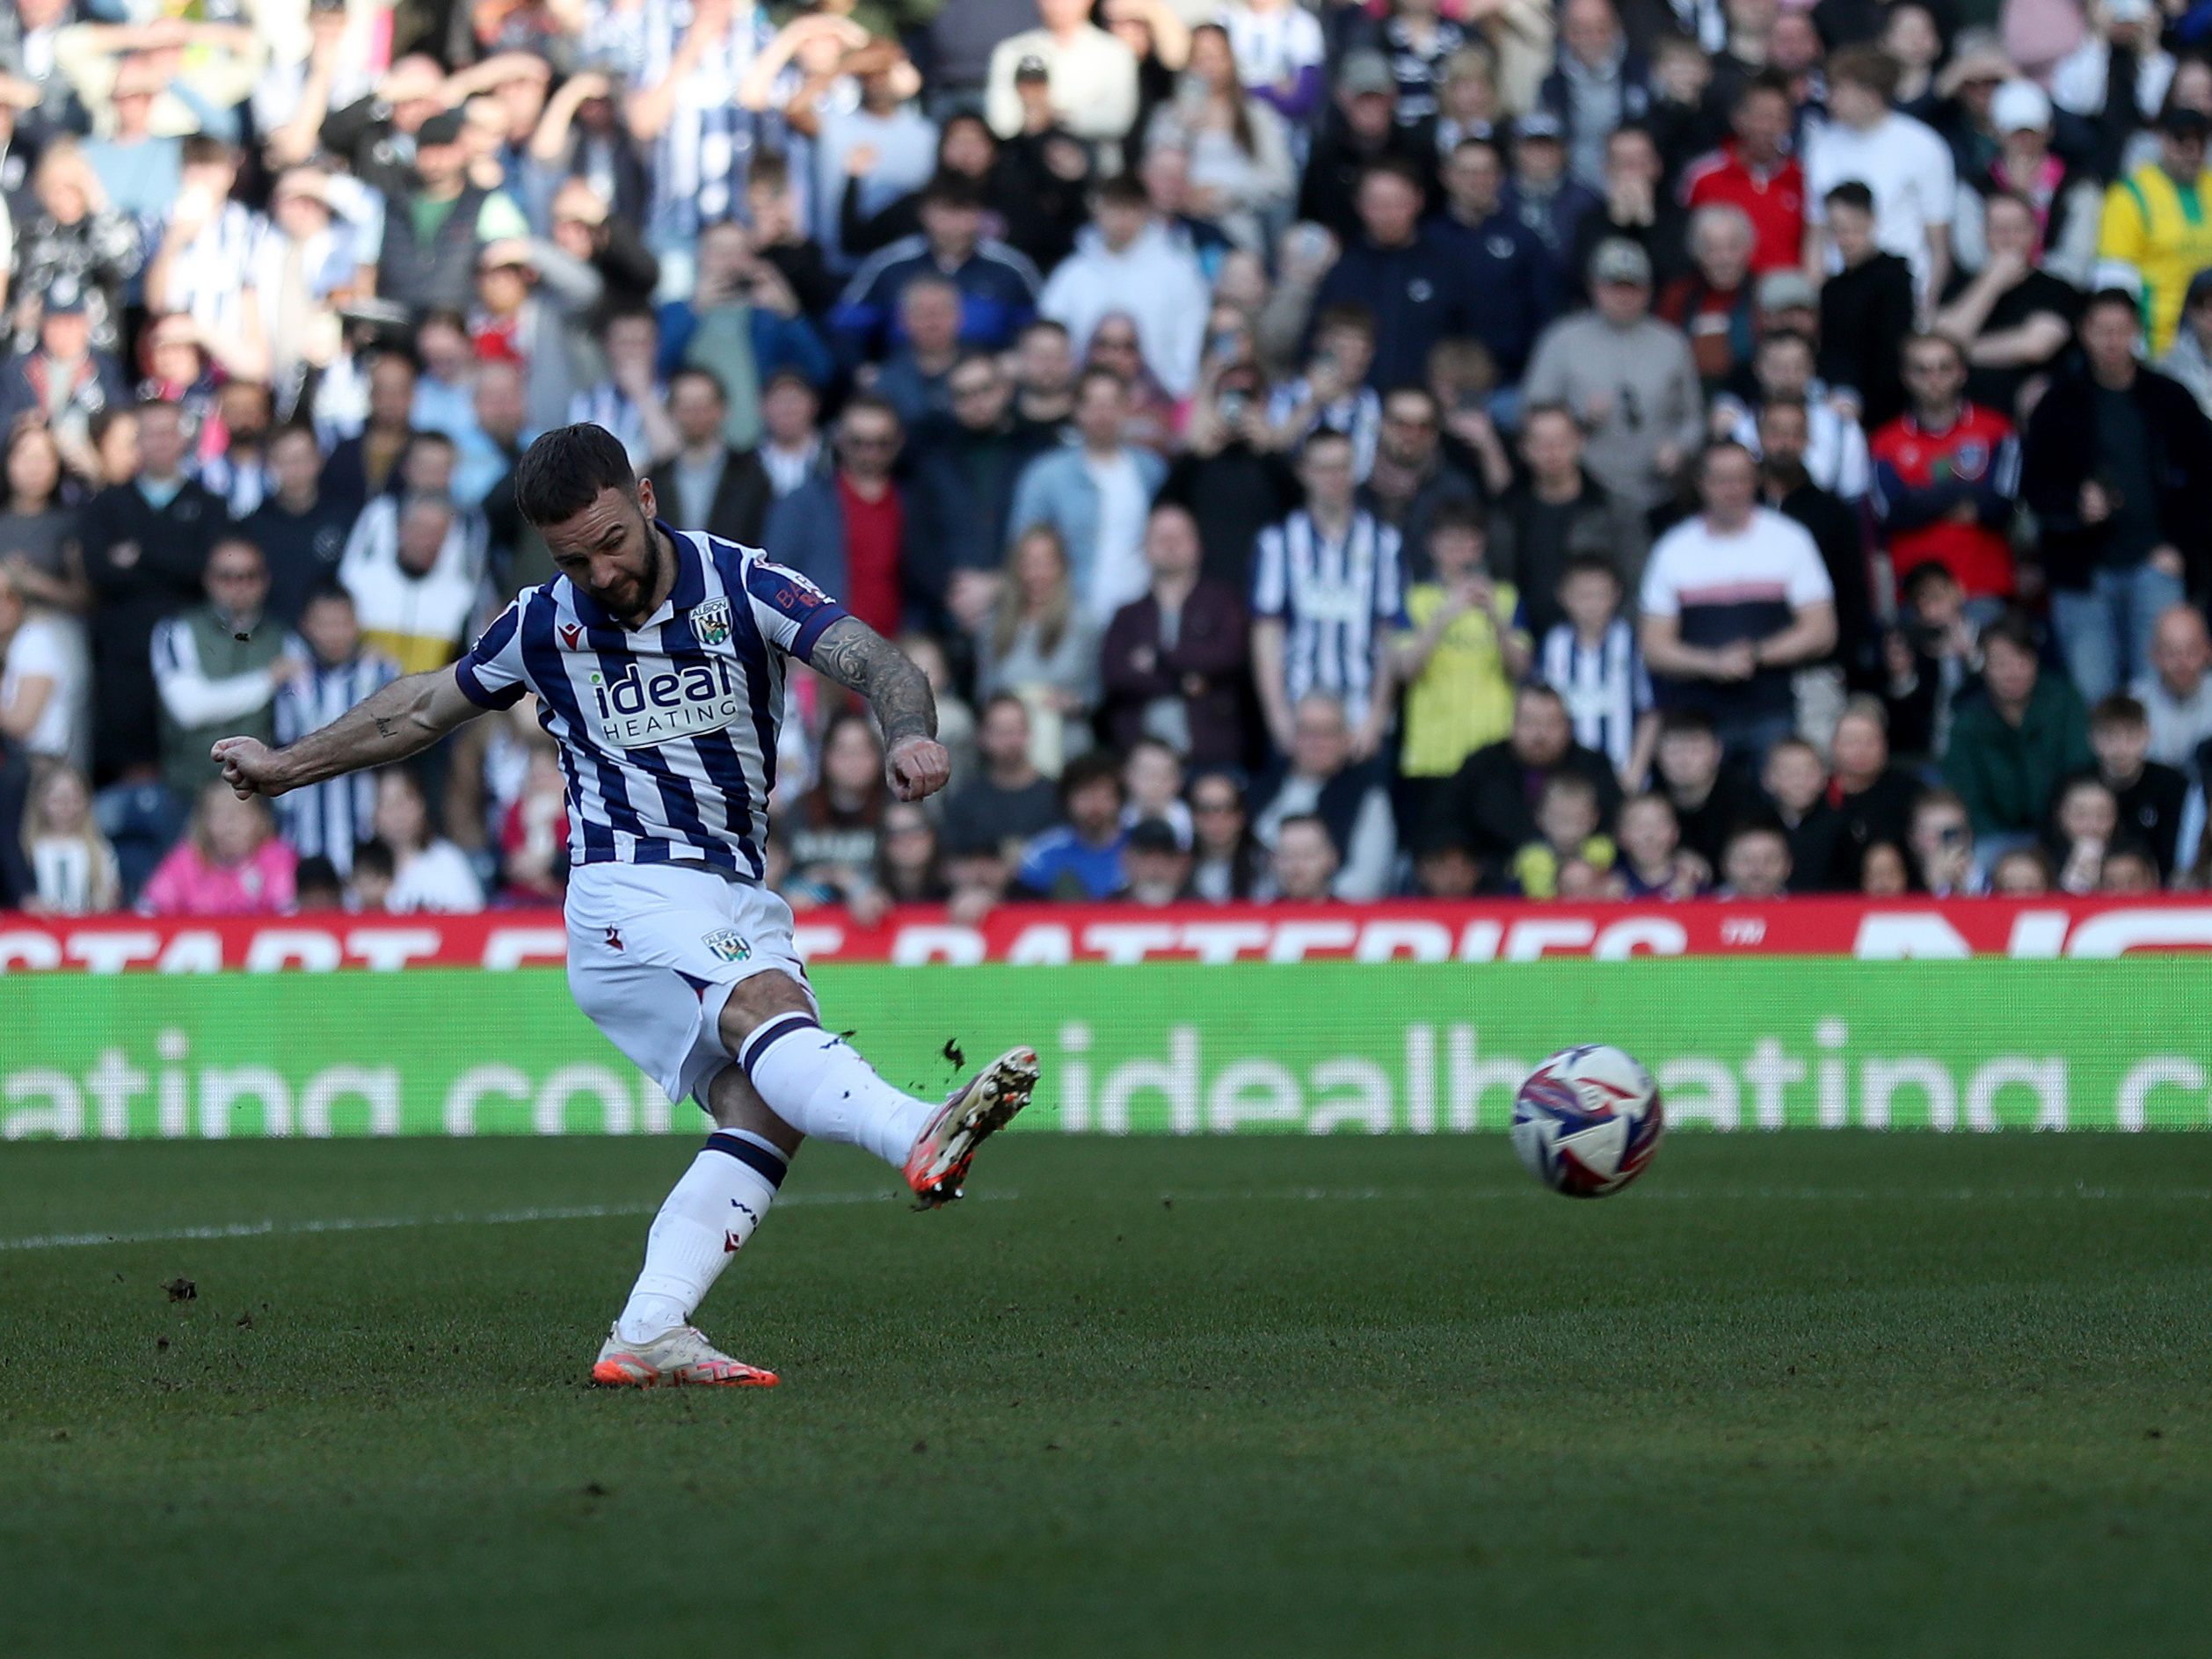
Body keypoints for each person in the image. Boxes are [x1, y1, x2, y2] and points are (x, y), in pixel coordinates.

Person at [214, 422, 1040, 1386]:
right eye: (575, 558)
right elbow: (417, 709)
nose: (601, 573)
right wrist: (283, 767)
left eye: (611, 541)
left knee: (764, 1106)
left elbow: (878, 662)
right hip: (625, 891)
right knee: (768, 1012)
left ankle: (646, 1329)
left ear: (645, 498)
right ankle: (914, 1130)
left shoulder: (740, 584)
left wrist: (905, 734)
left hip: (731, 892)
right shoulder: (541, 621)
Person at [2021, 290, 2212, 703]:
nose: (2111, 340)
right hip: (2082, 573)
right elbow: (2034, 487)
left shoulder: (2171, 399)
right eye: (2101, 330)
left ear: (2136, 333)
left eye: (2121, 330)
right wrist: (2076, 505)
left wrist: (2180, 547)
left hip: (2155, 564)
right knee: (2094, 695)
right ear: (2084, 333)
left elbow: (2204, 481)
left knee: (2160, 694)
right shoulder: (2057, 405)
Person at [1640, 441, 1837, 764]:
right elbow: (1654, 647)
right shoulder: (1673, 549)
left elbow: (1821, 631)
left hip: (1773, 710)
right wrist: (1712, 664)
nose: (1733, 489)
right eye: (1721, 479)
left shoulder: (1790, 539)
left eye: (1742, 478)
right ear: (1701, 483)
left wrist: (1755, 655)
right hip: (1696, 721)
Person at [83, 399, 229, 789]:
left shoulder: (209, 504)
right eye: (151, 434)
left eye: (169, 433)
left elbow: (208, 571)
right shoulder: (107, 505)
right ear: (138, 442)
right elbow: (99, 571)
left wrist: (141, 554)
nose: (161, 443)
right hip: (124, 657)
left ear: (184, 439)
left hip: (192, 657)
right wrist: (175, 561)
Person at [1521, 237, 1704, 521]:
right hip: (1588, 494)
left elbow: (1693, 417)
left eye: (1633, 287)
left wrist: (1680, 447)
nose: (1623, 295)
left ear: (1648, 290)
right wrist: (1579, 417)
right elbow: (1532, 414)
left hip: (1659, 494)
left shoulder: (1672, 344)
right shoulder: (1561, 341)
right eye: (1614, 286)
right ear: (1595, 288)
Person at [1250, 428, 1407, 757]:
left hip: (1361, 717)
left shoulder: (1385, 544)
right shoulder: (1277, 544)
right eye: (1323, 468)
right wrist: (1278, 718)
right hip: (1298, 714)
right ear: (1304, 472)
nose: (1333, 479)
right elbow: (1267, 634)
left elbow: (1388, 635)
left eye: (1341, 467)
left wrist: (1376, 718)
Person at [1868, 331, 2021, 610]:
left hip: (1985, 585)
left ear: (1962, 373)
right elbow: (1891, 512)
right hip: (1916, 595)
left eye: (1944, 368)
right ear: (1906, 376)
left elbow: (2001, 505)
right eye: (1922, 370)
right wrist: (1965, 496)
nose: (1934, 379)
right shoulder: (1885, 441)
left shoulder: (1996, 429)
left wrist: (1922, 498)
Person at [1008, 368, 1169, 626]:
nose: (1102, 415)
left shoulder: (1152, 470)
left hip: (1141, 620)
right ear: (1076, 411)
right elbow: (1022, 546)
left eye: (1111, 404)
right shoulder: (1046, 476)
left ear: (1127, 408)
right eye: (1093, 405)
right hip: (1070, 619)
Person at [1388, 500, 1530, 793]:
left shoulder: (1506, 598)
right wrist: (1444, 616)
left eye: (1469, 542)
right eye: (1451, 542)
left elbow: (1521, 669)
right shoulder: (1415, 599)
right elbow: (1406, 670)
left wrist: (1495, 619)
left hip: (1493, 748)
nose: (1460, 550)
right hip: (1432, 750)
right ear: (1432, 545)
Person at [149, 536, 300, 804]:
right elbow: (189, 709)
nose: (238, 586)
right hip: (187, 791)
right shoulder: (176, 630)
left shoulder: (286, 638)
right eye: (226, 577)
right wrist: (268, 680)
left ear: (265, 581)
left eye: (249, 576)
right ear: (208, 579)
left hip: (261, 794)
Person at [1801, 44, 1957, 302]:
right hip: (1840, 297)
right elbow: (1816, 236)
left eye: (1839, 90)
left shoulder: (1923, 145)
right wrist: (1817, 299)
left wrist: (1927, 305)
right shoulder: (1821, 148)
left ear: (1871, 95)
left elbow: (1939, 243)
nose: (1830, 99)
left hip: (1902, 296)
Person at [1100, 502, 1249, 770]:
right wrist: (1184, 683)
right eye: (1160, 537)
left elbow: (1227, 656)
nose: (1170, 545)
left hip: (1212, 753)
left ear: (1198, 544)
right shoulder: (1128, 615)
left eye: (1178, 536)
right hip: (1139, 761)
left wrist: (1158, 659)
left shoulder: (1224, 602)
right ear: (1145, 547)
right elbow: (1116, 676)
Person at [1038, 174, 1210, 399]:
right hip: (1084, 401)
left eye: (1130, 208)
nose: (1121, 219)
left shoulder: (1179, 273)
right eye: (1113, 208)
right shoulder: (1071, 275)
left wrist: (1180, 388)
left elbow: (1191, 338)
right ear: (1097, 210)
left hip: (1161, 400)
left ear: (1146, 211)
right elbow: (1051, 335)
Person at [1423, 681, 1623, 870]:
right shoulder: (1483, 765)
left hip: (1579, 881)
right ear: (1513, 724)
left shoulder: (1594, 767)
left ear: (1568, 727)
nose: (1540, 734)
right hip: (1494, 884)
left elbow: (1615, 823)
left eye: (1551, 724)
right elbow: (1445, 821)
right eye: (1529, 723)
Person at [1487, 402, 1645, 639]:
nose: (1552, 451)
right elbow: (1494, 581)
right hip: (1521, 647)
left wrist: (1610, 643)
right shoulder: (1505, 511)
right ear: (1522, 448)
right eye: (1540, 443)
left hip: (1597, 649)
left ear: (1581, 441)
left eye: (1561, 441)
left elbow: (1638, 586)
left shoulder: (1612, 509)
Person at [762, 395, 915, 639]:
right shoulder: (803, 502)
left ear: (898, 442)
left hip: (898, 646)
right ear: (840, 440)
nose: (870, 453)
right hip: (823, 649)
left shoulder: (912, 501)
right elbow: (771, 578)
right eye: (858, 442)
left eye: (882, 443)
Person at [1943, 609, 2092, 855]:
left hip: (2060, 832)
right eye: (2001, 663)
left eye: (2022, 660)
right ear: (1984, 666)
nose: (2013, 672)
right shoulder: (1967, 716)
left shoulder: (2064, 699)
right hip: (1994, 836)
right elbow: (1966, 792)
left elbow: (2080, 769)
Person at [273, 586, 397, 880]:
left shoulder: (382, 672)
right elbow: (283, 748)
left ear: (356, 624)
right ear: (306, 627)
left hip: (368, 824)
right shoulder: (292, 681)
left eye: (341, 623)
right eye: (324, 624)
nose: (333, 634)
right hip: (305, 828)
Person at [1932, 192, 2081, 423]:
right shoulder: (1958, 286)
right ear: (1984, 233)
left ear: (2035, 232)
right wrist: (1992, 282)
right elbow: (1942, 340)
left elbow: (2035, 346)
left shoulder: (2057, 288)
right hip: (1962, 409)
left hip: (2026, 407)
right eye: (1999, 229)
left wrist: (1959, 353)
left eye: (2017, 229)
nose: (2008, 238)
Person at [974, 525, 1102, 765]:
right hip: (1008, 747)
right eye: (1029, 564)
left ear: (1062, 567)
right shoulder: (993, 627)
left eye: (1047, 563)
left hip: (1067, 740)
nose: (1037, 573)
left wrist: (1071, 702)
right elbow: (985, 693)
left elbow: (1095, 693)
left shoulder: (1084, 623)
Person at [1250, 692, 1395, 901]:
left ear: (1346, 739)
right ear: (1292, 736)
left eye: (1327, 732)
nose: (1316, 742)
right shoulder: (1259, 792)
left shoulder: (1368, 798)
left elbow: (1367, 880)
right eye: (1307, 731)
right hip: (1259, 919)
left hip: (1337, 920)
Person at [2097, 105, 2212, 357]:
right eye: (2182, 140)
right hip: (2158, 345)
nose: (2191, 152)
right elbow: (2115, 278)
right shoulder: (2130, 197)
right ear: (2163, 141)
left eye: (2200, 142)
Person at [1539, 552, 1657, 789]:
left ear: (1616, 596)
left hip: (1622, 773)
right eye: (1583, 595)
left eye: (1600, 595)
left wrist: (1635, 772)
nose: (1592, 605)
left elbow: (1650, 712)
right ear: (1563, 596)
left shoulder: (1631, 643)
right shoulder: (1553, 645)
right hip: (1566, 779)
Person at [1815, 182, 1918, 434]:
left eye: (1854, 229)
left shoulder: (1894, 277)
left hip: (1883, 409)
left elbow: (1891, 352)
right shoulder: (1831, 289)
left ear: (1871, 221)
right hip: (1840, 403)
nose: (1846, 239)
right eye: (1838, 230)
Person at [1681, 73, 1806, 276]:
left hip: (1786, 298)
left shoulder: (1801, 177)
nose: (1768, 127)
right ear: (1738, 118)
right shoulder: (1705, 176)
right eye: (1761, 117)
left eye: (1778, 118)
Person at [643, 367, 774, 547]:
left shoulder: (751, 475)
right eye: (687, 407)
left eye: (704, 405)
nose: (696, 415)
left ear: (722, 409)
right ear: (671, 411)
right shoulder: (655, 478)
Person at [138, 781, 297, 916]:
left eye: (240, 812)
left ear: (258, 818)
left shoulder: (278, 859)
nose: (230, 822)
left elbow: (291, 913)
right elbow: (148, 911)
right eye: (219, 813)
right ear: (204, 823)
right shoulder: (184, 862)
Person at [2074, 694, 2188, 879]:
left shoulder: (2172, 784)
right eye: (2110, 736)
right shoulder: (2074, 785)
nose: (2121, 747)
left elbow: (2178, 852)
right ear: (2093, 738)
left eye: (2131, 736)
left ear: (2147, 735)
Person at [942, 694, 1064, 864]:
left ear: (1030, 733)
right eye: (1002, 732)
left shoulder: (1058, 796)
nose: (1012, 741)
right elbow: (952, 862)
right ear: (982, 736)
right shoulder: (965, 800)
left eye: (1018, 730)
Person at [1826, 695, 1921, 888]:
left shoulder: (1911, 793)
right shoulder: (1817, 795)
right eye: (1852, 742)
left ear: (1884, 745)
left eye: (1870, 741)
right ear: (1834, 745)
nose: (1861, 750)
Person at [1017, 749, 1131, 899]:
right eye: (1084, 796)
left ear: (1119, 800)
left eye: (1104, 796)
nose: (1094, 806)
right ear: (1067, 800)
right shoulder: (1042, 855)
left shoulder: (1141, 849)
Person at [21, 763, 121, 915]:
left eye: (74, 800)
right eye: (57, 800)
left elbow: (108, 899)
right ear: (40, 801)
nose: (65, 808)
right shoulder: (26, 849)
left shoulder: (99, 850)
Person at [2133, 603, 2212, 773]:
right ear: (2154, 654)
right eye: (2171, 653)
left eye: (2191, 651)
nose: (2182, 663)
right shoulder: (2133, 704)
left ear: (2208, 650)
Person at [1608, 791, 1704, 898]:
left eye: (1659, 824)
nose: (1649, 835)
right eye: (1638, 826)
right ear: (1620, 835)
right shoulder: (1608, 882)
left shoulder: (1693, 881)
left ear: (1675, 832)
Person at [1266, 812, 1341, 901]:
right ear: (1273, 860)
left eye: (1308, 855)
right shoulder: (1258, 914)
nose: (1297, 865)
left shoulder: (1349, 914)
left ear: (1331, 858)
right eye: (1287, 855)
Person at [1717, 819, 1793, 899]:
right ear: (1725, 865)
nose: (1758, 871)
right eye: (1746, 860)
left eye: (1769, 860)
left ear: (1788, 865)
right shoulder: (1706, 904)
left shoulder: (1803, 905)